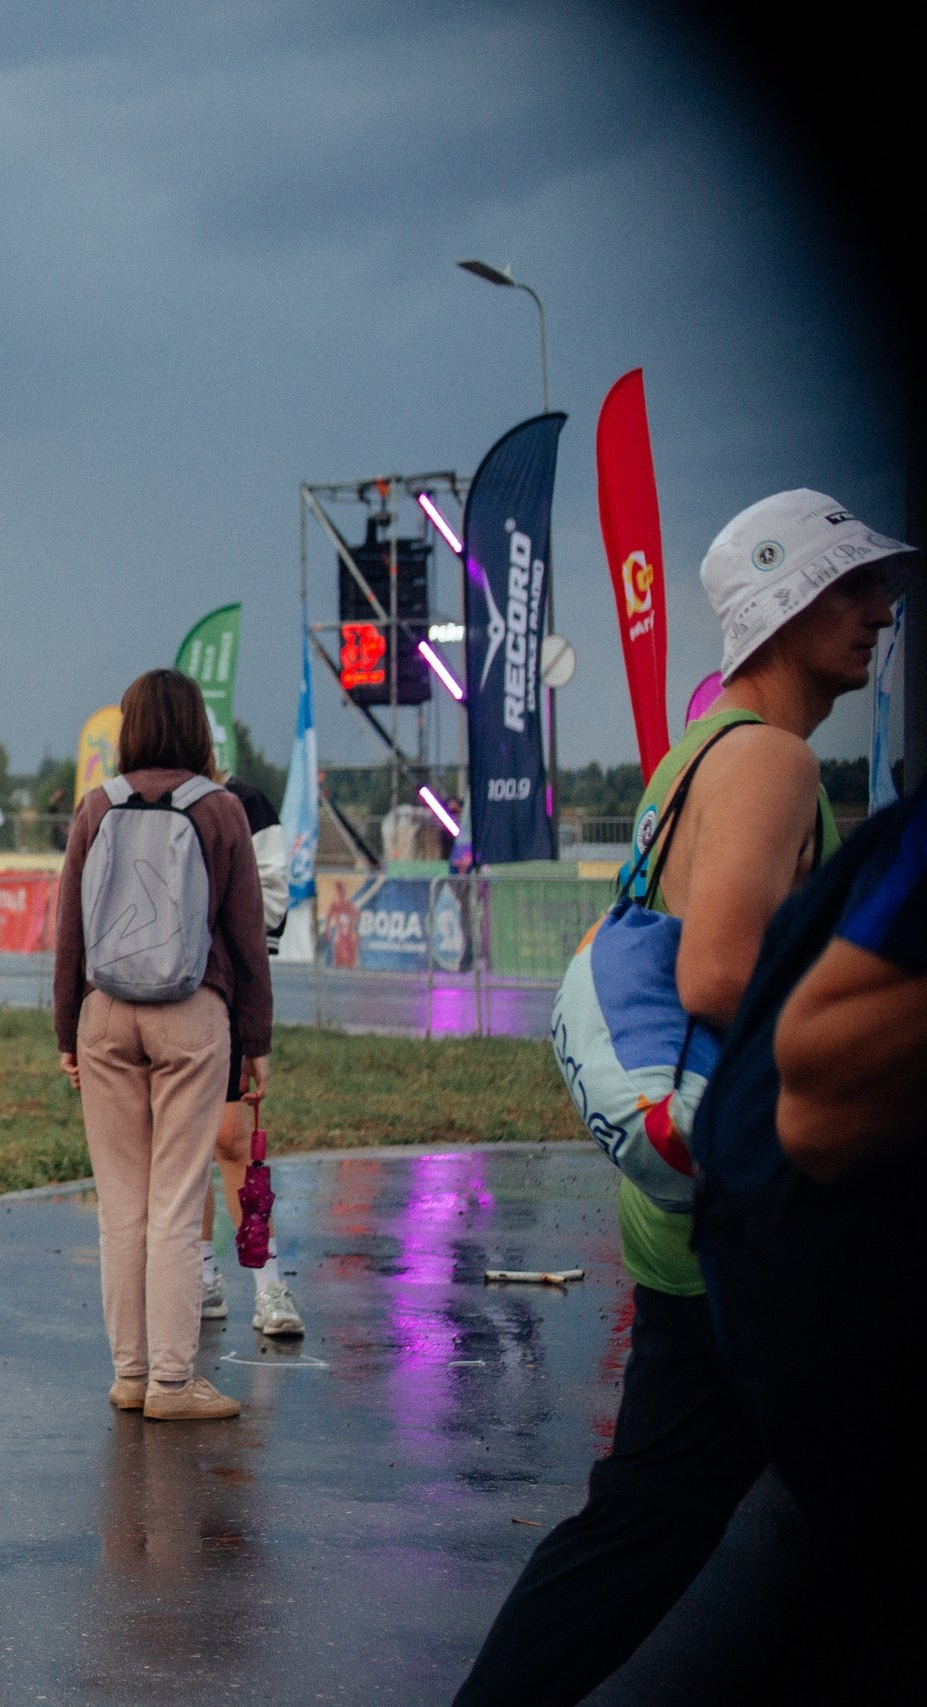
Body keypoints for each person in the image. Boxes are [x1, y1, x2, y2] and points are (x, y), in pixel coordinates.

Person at [454, 490, 900, 1707]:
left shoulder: (698, 750)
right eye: (852, 589)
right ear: (783, 606)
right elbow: (714, 970)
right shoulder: (767, 756)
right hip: (755, 1215)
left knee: (646, 1524)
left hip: (697, 1219)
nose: (881, 610)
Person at [51, 668, 271, 1422]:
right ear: (197, 730)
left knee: (121, 1204)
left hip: (105, 1011)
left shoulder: (94, 807)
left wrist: (66, 1032)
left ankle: (129, 1372)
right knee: (177, 1198)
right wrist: (256, 1042)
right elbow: (247, 938)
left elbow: (68, 935)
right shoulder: (220, 810)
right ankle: (173, 1384)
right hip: (192, 1011)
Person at [197, 761, 298, 1336]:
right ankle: (203, 1277)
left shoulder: (245, 804)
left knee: (232, 1141)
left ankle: (268, 1284)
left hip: (227, 992)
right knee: (180, 1150)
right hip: (156, 999)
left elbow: (274, 900)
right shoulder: (134, 801)